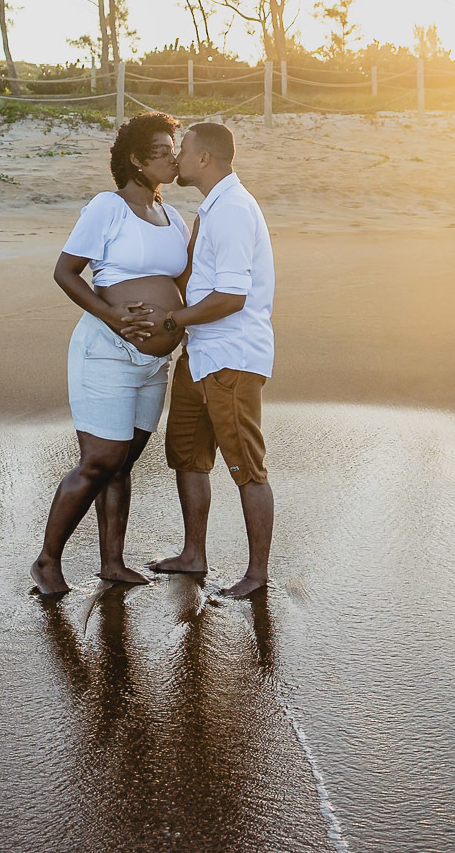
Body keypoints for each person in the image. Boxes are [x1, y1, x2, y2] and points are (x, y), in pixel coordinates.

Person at [30, 112, 190, 596]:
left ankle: (112, 562)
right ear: (137, 160)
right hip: (106, 353)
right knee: (100, 461)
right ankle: (46, 561)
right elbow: (66, 272)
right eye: (162, 150)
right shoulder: (108, 207)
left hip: (153, 363)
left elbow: (179, 283)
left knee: (124, 464)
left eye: (174, 148)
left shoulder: (174, 216)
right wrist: (112, 315)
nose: (173, 157)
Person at [123, 122, 275, 599]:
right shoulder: (212, 208)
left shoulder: (231, 210)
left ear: (204, 159)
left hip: (231, 357)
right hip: (200, 353)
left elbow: (232, 296)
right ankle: (194, 554)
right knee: (188, 454)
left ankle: (256, 574)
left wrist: (172, 320)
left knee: (245, 465)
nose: (176, 160)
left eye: (182, 151)